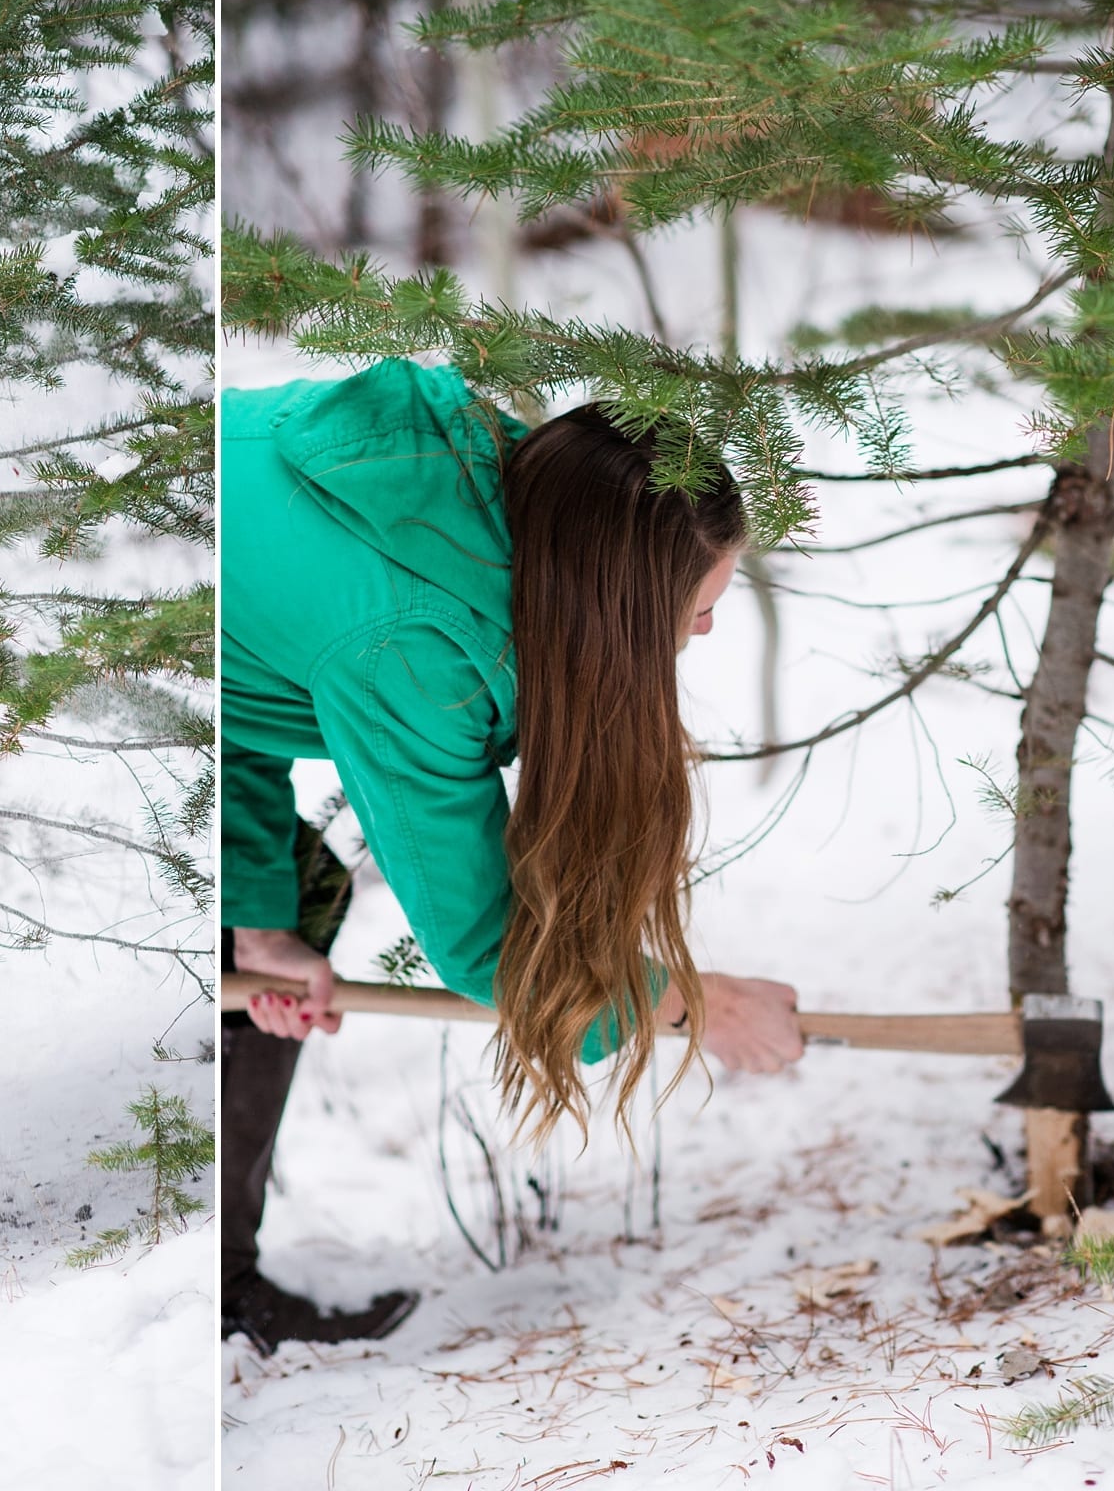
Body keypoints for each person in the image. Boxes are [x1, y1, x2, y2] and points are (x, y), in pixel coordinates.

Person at [219, 360, 807, 1355]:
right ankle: (216, 1295)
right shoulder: (415, 643)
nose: (704, 629)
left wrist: (262, 925)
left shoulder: (508, 485)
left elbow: (243, 680)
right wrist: (696, 1001)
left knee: (280, 902)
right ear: (611, 595)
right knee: (216, 939)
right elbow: (487, 943)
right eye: (696, 606)